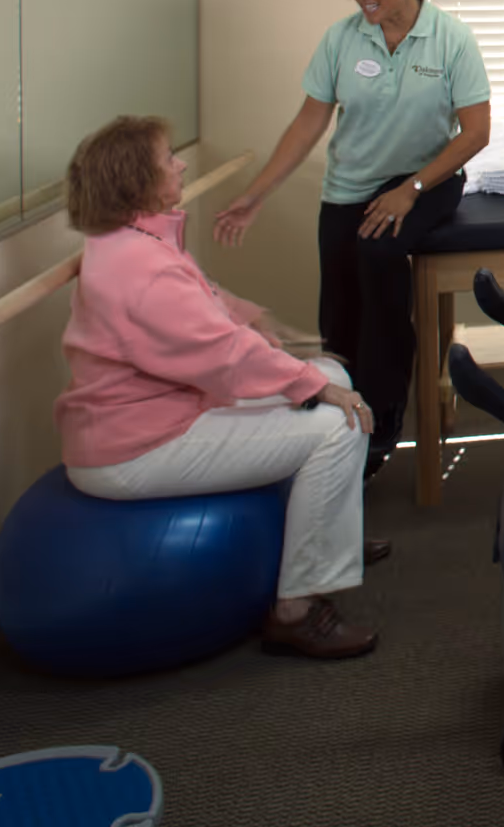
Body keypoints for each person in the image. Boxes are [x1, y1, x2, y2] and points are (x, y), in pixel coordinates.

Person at [56, 116, 384, 658]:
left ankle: (327, 539)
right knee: (338, 424)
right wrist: (304, 381)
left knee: (334, 377)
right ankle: (296, 611)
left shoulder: (134, 238)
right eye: (168, 160)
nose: (180, 164)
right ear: (137, 180)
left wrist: (266, 328)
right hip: (136, 447)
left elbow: (204, 296)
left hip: (162, 413)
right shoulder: (138, 266)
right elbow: (221, 355)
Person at [214, 0, 491, 465]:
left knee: (380, 254)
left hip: (425, 179)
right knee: (338, 308)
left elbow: (474, 133)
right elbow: (307, 124)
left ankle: (385, 414)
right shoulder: (342, 40)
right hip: (351, 186)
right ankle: (337, 413)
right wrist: (255, 194)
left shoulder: (451, 38)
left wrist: (410, 190)